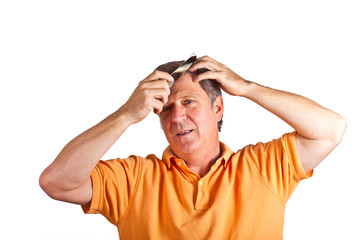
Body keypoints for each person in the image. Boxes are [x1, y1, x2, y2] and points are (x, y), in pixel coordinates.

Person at [39, 55, 346, 239]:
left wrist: (248, 88)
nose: (177, 117)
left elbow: (331, 130)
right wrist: (126, 114)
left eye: (188, 102)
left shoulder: (264, 167)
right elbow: (56, 182)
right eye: (166, 108)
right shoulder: (132, 179)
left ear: (218, 108)